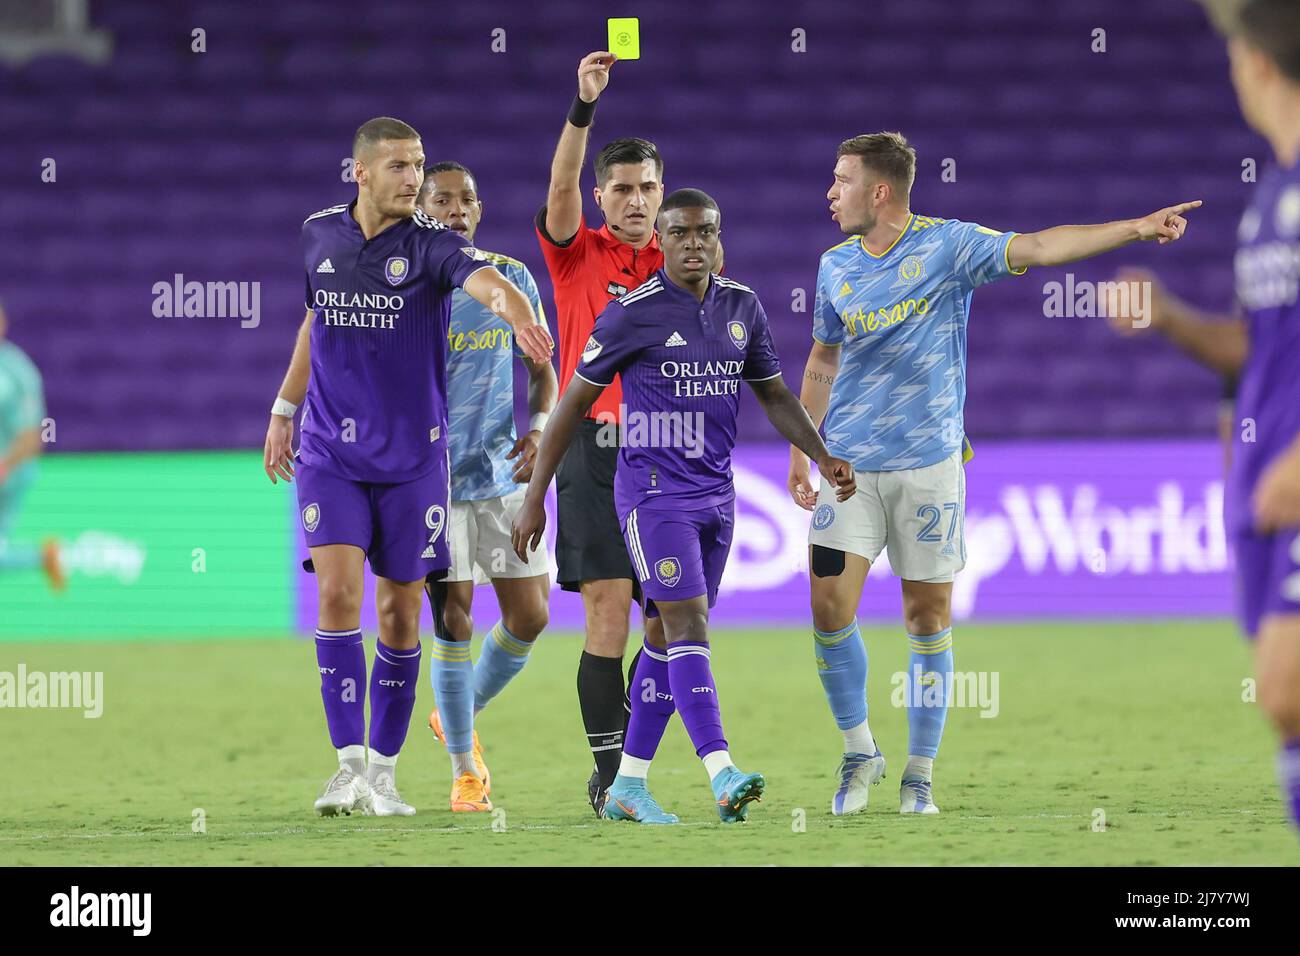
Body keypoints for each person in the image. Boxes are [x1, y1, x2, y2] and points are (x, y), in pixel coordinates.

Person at [789, 131, 1199, 815]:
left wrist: (1134, 228)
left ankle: (919, 771)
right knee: (829, 606)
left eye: (841, 180)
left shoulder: (950, 246)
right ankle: (859, 751)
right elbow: (822, 359)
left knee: (927, 615)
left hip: (929, 468)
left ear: (879, 190)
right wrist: (802, 447)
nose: (830, 193)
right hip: (848, 471)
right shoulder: (835, 266)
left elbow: (1039, 248)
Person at [513, 189, 856, 823]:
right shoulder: (629, 314)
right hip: (652, 494)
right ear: (662, 243)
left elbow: (775, 394)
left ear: (719, 240)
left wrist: (820, 452)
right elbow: (570, 407)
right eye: (681, 234)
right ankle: (721, 772)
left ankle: (628, 786)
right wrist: (536, 499)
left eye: (706, 232)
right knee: (687, 625)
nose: (694, 243)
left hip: (716, 496)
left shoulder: (741, 308)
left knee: (663, 641)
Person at [263, 117, 552, 818]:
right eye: (400, 165)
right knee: (337, 598)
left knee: (398, 614)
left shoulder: (431, 249)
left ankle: (385, 774)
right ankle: (347, 767)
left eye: (418, 164)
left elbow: (485, 283)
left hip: (416, 461)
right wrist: (282, 409)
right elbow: (313, 323)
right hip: (332, 452)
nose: (414, 178)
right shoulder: (317, 235)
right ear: (360, 172)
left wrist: (515, 314)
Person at [535, 51, 669, 813]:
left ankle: (636, 767)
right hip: (593, 447)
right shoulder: (575, 252)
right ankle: (612, 775)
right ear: (599, 196)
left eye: (648, 187)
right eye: (622, 188)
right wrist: (583, 107)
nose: (638, 200)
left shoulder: (682, 260)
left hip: (668, 450)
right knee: (609, 614)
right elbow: (557, 187)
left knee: (672, 622)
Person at [415, 161, 558, 812]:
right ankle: (465, 770)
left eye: (466, 199)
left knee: (530, 615)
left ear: (479, 209)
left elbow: (544, 371)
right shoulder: (407, 285)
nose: (455, 208)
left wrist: (539, 429)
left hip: (503, 476)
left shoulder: (510, 281)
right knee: (453, 616)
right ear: (419, 208)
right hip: (431, 482)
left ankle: (457, 712)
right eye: (440, 199)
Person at [1212, 0, 1300, 830]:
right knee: (1284, 697)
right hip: (1266, 481)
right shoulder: (1272, 191)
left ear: (1259, 66)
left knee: (1285, 685)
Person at [0, 300, 63, 591]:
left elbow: (31, 434)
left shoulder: (17, 372)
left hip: (9, 473)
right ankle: (41, 556)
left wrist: (5, 466)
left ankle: (40, 556)